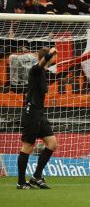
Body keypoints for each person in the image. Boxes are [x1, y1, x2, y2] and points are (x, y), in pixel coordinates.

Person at [16, 47, 58, 189]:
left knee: (52, 143)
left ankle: (36, 176)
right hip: (31, 113)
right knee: (28, 146)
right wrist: (50, 52)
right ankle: (21, 182)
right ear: (48, 57)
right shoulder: (35, 70)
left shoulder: (44, 72)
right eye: (54, 56)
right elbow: (41, 63)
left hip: (39, 113)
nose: (55, 58)